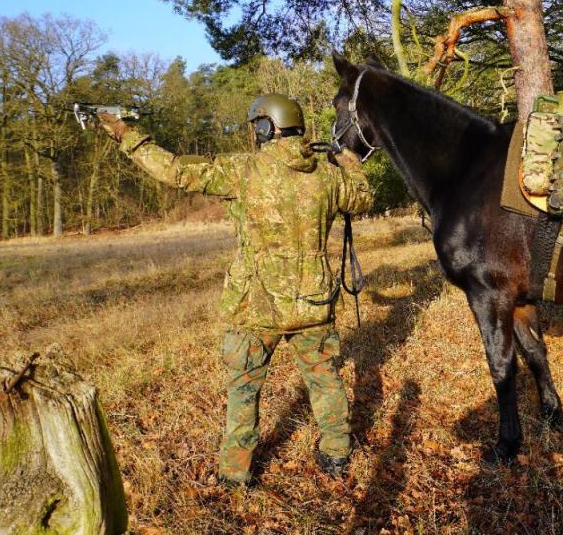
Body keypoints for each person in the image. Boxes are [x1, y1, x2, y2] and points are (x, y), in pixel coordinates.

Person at [97, 94, 372, 486]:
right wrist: (348, 160)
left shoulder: (242, 170)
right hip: (313, 302)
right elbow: (362, 197)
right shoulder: (328, 175)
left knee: (244, 390)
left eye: (256, 127)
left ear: (266, 128)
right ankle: (337, 455)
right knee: (325, 379)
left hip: (255, 306)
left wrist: (126, 134)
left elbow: (174, 171)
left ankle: (235, 473)